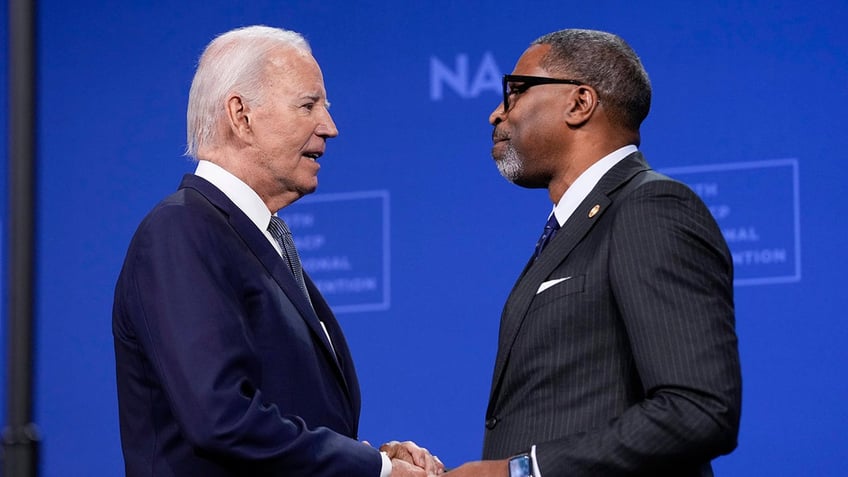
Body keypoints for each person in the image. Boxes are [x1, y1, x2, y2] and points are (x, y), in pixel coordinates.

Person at [112, 25, 443, 477]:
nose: (330, 126)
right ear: (241, 116)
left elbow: (286, 412)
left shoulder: (258, 236)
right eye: (309, 105)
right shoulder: (182, 229)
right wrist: (373, 469)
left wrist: (372, 458)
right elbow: (221, 419)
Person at [447, 29, 742, 476]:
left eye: (516, 91)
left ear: (580, 103)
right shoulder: (573, 226)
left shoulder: (650, 207)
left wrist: (524, 471)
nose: (496, 113)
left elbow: (698, 409)